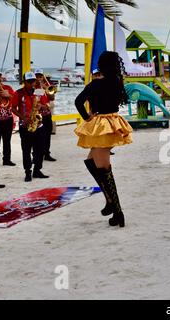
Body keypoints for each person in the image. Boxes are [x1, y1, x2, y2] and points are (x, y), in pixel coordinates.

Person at [74, 51, 133, 228]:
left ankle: (118, 212)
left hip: (101, 125)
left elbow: (78, 102)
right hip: (114, 122)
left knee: (105, 170)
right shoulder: (117, 82)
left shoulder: (96, 84)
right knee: (91, 160)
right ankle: (109, 201)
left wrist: (87, 117)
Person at [11, 71, 50, 182]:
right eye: (29, 82)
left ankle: (37, 170)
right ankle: (28, 172)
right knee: (26, 150)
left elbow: (47, 106)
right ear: (24, 82)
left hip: (39, 125)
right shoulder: (18, 93)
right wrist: (23, 118)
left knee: (41, 149)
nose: (32, 84)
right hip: (25, 126)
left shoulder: (39, 92)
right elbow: (13, 108)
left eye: (33, 81)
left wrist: (41, 106)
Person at [0, 70, 16, 166]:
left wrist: (8, 95)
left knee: (7, 141)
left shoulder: (8, 87)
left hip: (8, 119)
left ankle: (7, 160)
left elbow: (15, 100)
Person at [34, 68, 56, 162]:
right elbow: (36, 98)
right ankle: (36, 155)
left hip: (47, 114)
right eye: (37, 76)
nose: (39, 78)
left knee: (47, 135)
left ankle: (47, 154)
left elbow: (52, 98)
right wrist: (41, 89)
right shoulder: (33, 87)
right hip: (38, 115)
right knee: (37, 137)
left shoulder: (46, 86)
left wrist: (48, 90)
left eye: (40, 76)